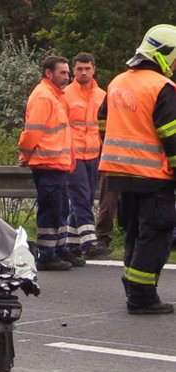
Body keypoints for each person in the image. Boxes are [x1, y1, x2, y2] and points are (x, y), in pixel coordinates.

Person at [98, 24, 176, 314]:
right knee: (156, 232)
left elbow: (102, 122)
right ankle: (142, 298)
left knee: (133, 232)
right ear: (164, 56)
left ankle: (133, 287)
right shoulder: (162, 88)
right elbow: (172, 136)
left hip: (120, 174)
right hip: (153, 176)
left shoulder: (118, 82)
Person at [19, 55, 79, 271]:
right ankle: (46, 254)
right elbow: (32, 131)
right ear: (48, 73)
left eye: (66, 72)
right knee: (51, 209)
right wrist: (26, 155)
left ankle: (60, 248)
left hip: (57, 163)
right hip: (47, 163)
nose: (67, 77)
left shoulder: (54, 97)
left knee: (61, 207)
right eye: (62, 73)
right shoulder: (45, 97)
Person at [64, 52, 112, 260]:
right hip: (72, 155)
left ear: (94, 69)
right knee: (82, 197)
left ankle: (72, 245)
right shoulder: (65, 95)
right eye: (79, 69)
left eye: (87, 68)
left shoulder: (102, 95)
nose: (84, 72)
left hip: (94, 155)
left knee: (84, 197)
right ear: (73, 70)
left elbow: (108, 128)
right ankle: (89, 241)